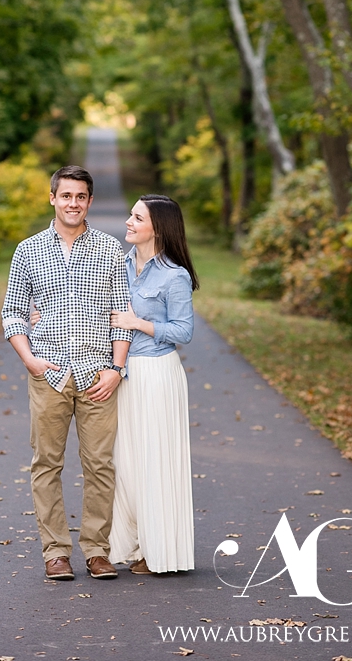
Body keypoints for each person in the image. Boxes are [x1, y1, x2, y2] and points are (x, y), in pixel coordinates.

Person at [1, 165, 132, 582]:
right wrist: (30, 359)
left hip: (98, 376)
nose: (73, 203)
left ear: (89, 201)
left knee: (100, 465)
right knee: (47, 464)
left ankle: (96, 551)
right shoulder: (28, 250)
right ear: (53, 198)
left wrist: (117, 368)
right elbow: (12, 312)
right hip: (49, 374)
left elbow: (122, 316)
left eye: (80, 197)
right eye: (66, 196)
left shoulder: (111, 251)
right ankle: (55, 552)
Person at [108, 194, 198, 575]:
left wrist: (138, 323)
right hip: (123, 374)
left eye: (136, 217)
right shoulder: (119, 264)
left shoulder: (173, 275)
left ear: (157, 228)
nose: (128, 222)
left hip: (158, 375)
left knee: (155, 461)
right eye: (130, 215)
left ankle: (157, 551)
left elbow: (184, 331)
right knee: (125, 462)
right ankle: (129, 544)